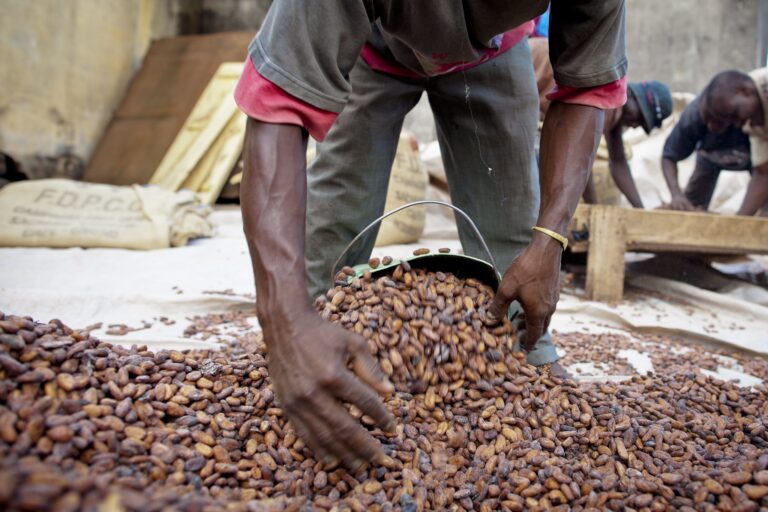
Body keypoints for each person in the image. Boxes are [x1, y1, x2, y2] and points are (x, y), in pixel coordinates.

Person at [235, 1, 627, 469]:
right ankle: (306, 360)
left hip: (496, 53)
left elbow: (588, 86)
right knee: (338, 209)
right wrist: (287, 321)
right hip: (375, 44)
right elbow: (278, 100)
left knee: (516, 236)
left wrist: (549, 239)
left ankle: (530, 364)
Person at [530, 38, 672, 208]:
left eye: (641, 125)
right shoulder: (606, 101)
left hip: (532, 75)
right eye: (639, 118)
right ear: (634, 97)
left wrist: (640, 211)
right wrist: (594, 210)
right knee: (538, 169)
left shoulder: (617, 112)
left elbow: (618, 162)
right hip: (526, 69)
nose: (635, 125)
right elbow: (581, 161)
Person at [664, 69, 768, 215]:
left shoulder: (757, 93)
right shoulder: (750, 121)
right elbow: (764, 174)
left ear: (745, 91)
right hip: (710, 158)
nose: (738, 125)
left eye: (734, 116)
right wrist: (738, 223)